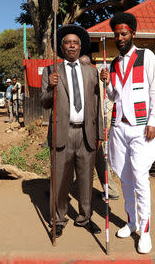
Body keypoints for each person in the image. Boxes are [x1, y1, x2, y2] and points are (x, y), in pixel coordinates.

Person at [100, 12, 155, 254]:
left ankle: (145, 231)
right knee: (125, 179)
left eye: (124, 33)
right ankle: (131, 222)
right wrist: (106, 82)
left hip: (141, 129)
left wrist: (153, 121)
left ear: (132, 34)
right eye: (116, 34)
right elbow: (114, 96)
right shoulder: (114, 64)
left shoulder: (147, 56)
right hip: (119, 128)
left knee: (140, 179)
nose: (120, 37)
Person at [41, 24, 104, 238]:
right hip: (62, 132)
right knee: (60, 180)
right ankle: (58, 219)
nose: (71, 46)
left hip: (87, 132)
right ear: (61, 47)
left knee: (86, 180)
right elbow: (44, 103)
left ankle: (85, 218)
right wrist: (50, 87)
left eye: (75, 43)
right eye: (67, 42)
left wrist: (100, 134)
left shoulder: (91, 72)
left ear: (80, 47)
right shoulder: (51, 71)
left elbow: (97, 105)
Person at [79, 55, 120, 201]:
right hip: (84, 128)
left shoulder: (95, 79)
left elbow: (99, 109)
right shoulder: (84, 78)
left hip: (93, 128)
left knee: (99, 160)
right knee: (96, 160)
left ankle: (111, 190)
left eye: (85, 65)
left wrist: (100, 133)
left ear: (90, 66)